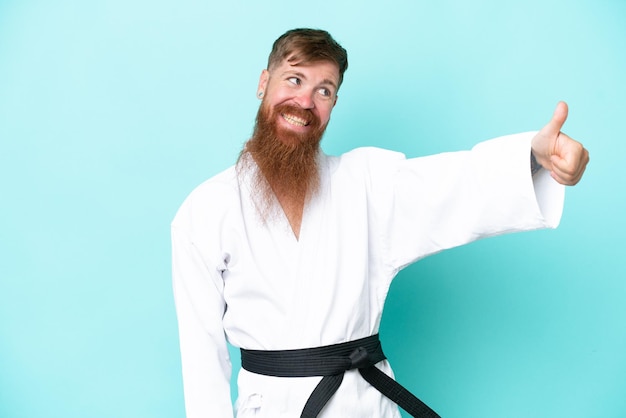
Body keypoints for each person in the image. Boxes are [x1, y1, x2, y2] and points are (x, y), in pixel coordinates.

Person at [171, 28, 589, 418]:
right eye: (294, 80)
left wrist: (533, 157)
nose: (305, 102)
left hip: (364, 404)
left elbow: (456, 185)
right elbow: (202, 357)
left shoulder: (366, 183)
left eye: (324, 90)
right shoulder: (207, 209)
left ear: (333, 104)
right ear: (264, 81)